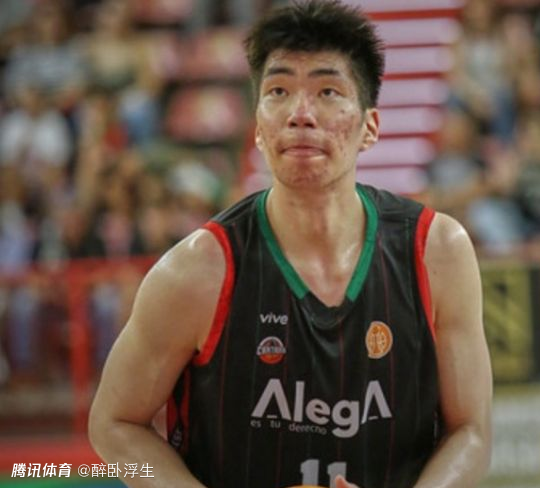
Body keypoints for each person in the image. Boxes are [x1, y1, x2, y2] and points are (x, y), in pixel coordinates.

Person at [88, 1, 492, 487]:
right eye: (278, 91)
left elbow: (471, 431)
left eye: (327, 91)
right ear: (258, 128)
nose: (301, 114)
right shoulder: (196, 271)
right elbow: (114, 424)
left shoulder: (437, 251)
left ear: (370, 127)